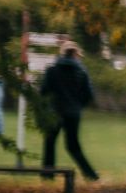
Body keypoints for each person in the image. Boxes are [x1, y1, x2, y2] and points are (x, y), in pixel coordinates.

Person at [38, 41, 100, 181]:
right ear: (75, 54)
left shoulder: (52, 70)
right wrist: (78, 106)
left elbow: (43, 92)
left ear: (62, 53)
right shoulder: (81, 72)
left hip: (54, 112)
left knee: (49, 143)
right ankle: (90, 174)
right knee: (73, 146)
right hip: (73, 113)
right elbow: (89, 95)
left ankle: (47, 175)